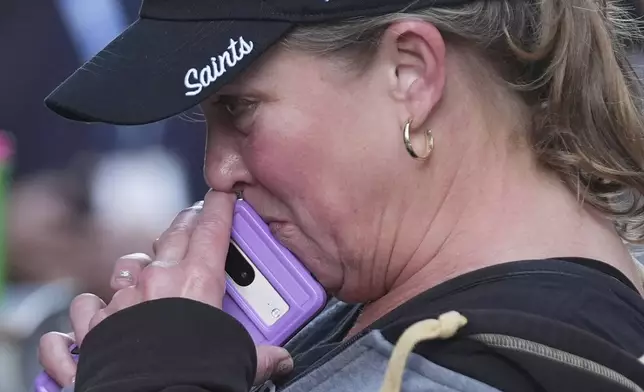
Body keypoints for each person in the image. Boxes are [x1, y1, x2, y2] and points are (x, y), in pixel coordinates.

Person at [36, 0, 644, 391]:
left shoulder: (510, 365)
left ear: (411, 72)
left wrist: (154, 374)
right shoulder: (369, 296)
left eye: (239, 108)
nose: (217, 171)